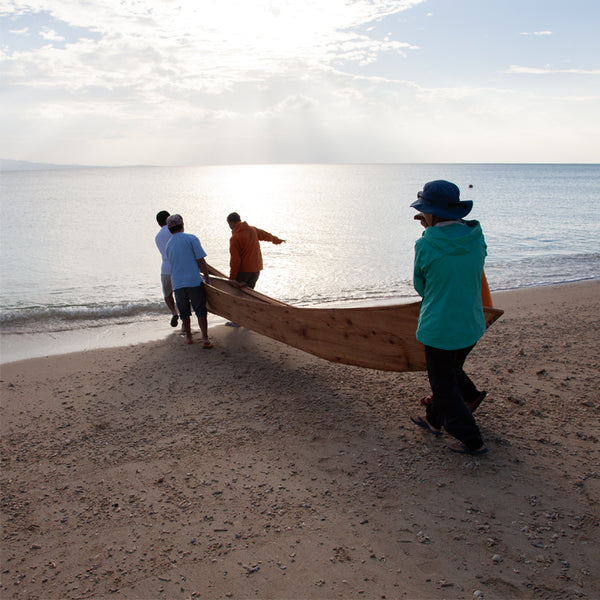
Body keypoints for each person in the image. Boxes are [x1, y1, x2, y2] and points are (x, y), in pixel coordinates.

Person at [408, 180, 489, 455]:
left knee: (443, 385)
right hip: (471, 323)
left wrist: (429, 232)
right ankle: (434, 419)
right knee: (451, 372)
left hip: (440, 328)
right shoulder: (476, 237)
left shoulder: (426, 245)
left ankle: (471, 439)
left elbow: (422, 286)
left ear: (429, 213)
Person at [225, 212, 285, 326]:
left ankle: (238, 321)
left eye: (228, 224)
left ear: (231, 222)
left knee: (238, 296)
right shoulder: (252, 229)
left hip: (244, 272)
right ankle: (249, 320)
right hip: (256, 270)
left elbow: (235, 260)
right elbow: (265, 235)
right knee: (249, 295)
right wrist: (276, 240)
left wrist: (232, 277)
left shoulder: (235, 238)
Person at [165, 214, 213, 347]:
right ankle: (205, 339)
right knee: (200, 310)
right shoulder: (191, 239)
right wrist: (207, 279)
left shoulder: (168, 245)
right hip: (193, 281)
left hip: (177, 283)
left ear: (169, 229)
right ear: (182, 225)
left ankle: (189, 336)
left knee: (184, 311)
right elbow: (201, 261)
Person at [155, 210, 179, 327]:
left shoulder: (157, 237)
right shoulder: (174, 231)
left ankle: (174, 312)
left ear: (158, 223)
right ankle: (185, 322)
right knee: (181, 294)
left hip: (165, 268)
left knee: (167, 294)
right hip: (178, 267)